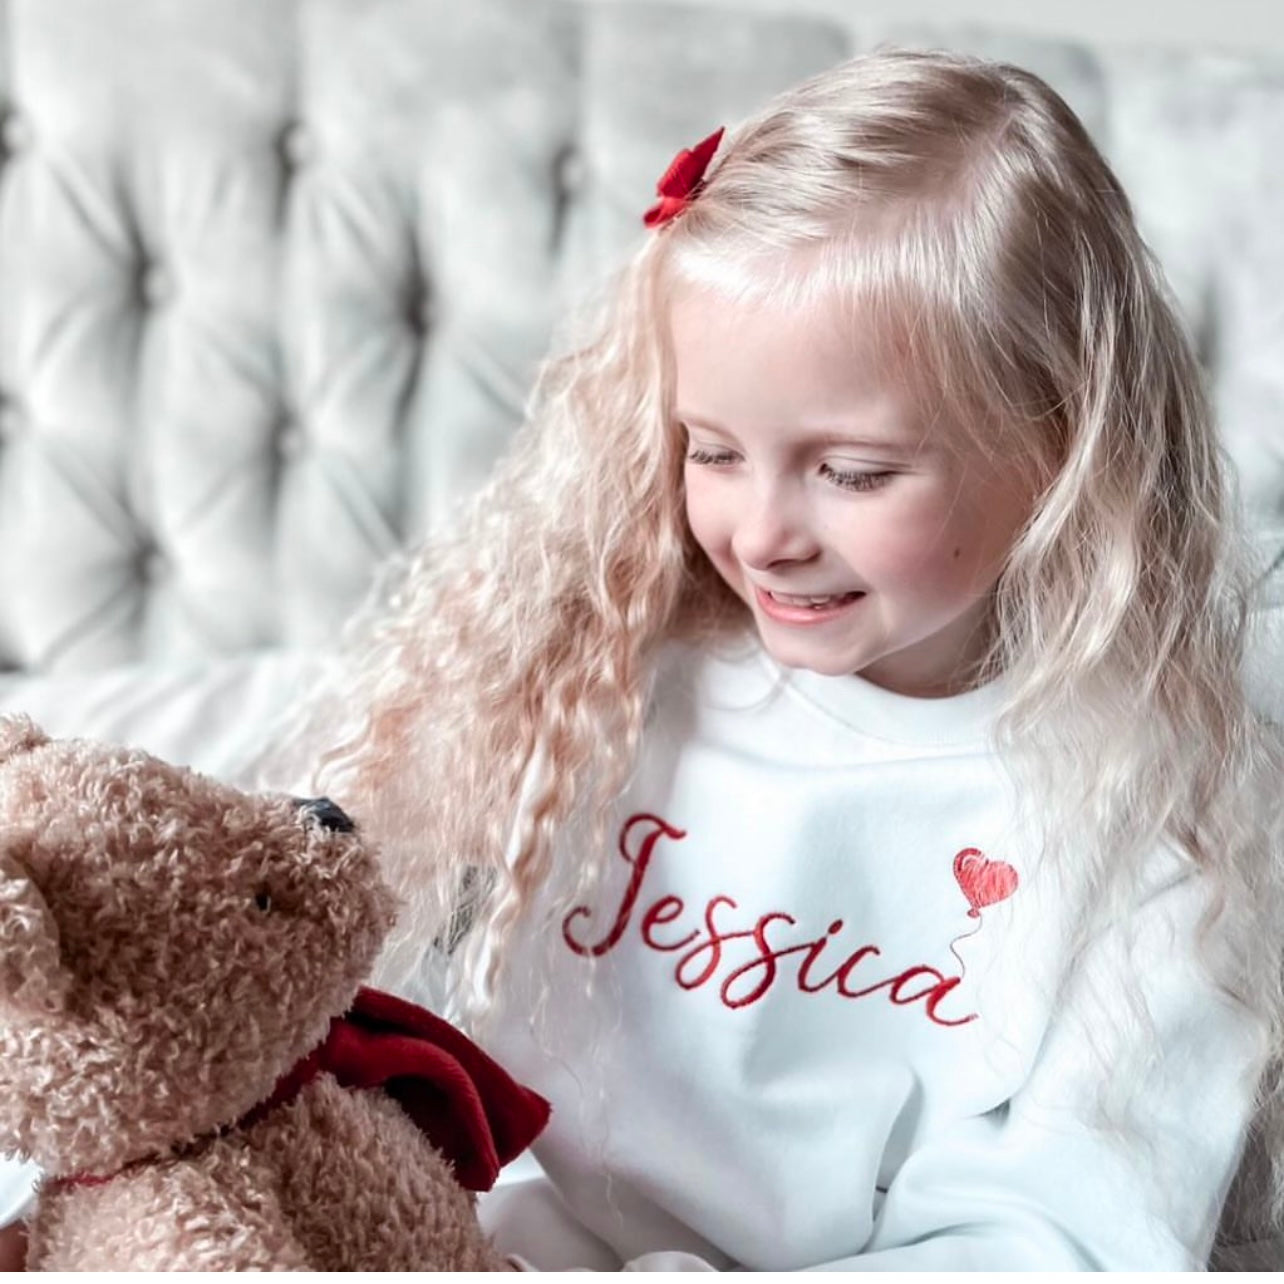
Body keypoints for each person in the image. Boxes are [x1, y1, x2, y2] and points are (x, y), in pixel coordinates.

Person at [5, 45, 1282, 1271]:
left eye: (852, 471)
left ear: (1058, 446)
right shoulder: (610, 678)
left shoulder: (1159, 825)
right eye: (712, 450)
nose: (763, 533)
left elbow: (1064, 1243)